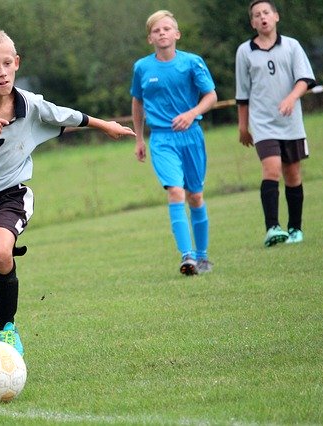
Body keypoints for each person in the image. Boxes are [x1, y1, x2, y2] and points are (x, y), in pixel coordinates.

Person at [0, 29, 136, 356]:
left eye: (6, 64)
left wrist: (105, 125)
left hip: (8, 196)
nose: (1, 72)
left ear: (16, 63)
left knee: (0, 252)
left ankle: (8, 327)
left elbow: (66, 115)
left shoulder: (28, 103)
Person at [130, 10, 218, 275]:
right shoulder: (142, 67)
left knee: (195, 196)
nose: (162, 33)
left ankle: (202, 257)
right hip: (162, 138)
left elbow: (211, 95)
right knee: (175, 192)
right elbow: (137, 101)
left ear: (176, 34)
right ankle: (187, 256)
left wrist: (191, 114)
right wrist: (138, 137)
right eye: (157, 30)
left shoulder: (192, 63)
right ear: (150, 38)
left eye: (167, 29)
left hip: (191, 136)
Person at [235, 0, 316, 247]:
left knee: (292, 174)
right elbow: (243, 93)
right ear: (252, 23)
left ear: (276, 17)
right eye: (257, 15)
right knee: (271, 170)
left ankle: (295, 228)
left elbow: (304, 79)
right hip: (263, 124)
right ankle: (273, 228)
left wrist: (291, 98)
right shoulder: (244, 51)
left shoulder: (292, 46)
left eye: (266, 13)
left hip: (291, 122)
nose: (262, 18)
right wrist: (243, 126)